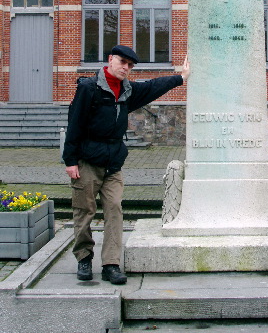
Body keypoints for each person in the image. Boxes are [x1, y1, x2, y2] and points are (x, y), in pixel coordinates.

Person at [63, 45, 190, 285]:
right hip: (87, 161)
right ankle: (84, 258)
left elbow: (153, 87)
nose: (126, 68)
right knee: (84, 211)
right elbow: (74, 124)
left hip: (113, 164)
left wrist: (181, 77)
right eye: (122, 62)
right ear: (110, 60)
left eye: (130, 66)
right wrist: (70, 161)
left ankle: (111, 264)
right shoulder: (89, 88)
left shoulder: (127, 91)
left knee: (114, 210)